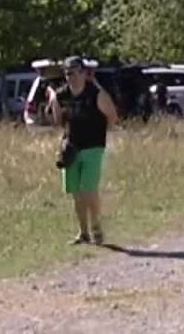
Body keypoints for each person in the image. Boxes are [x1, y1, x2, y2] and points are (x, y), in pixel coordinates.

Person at [47, 55, 119, 245]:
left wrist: (101, 131)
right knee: (76, 192)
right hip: (71, 148)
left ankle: (96, 227)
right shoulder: (62, 95)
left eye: (76, 72)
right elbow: (57, 121)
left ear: (84, 73)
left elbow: (112, 116)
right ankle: (83, 232)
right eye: (68, 73)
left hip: (93, 146)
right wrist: (53, 100)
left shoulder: (95, 93)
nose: (72, 77)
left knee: (89, 189)